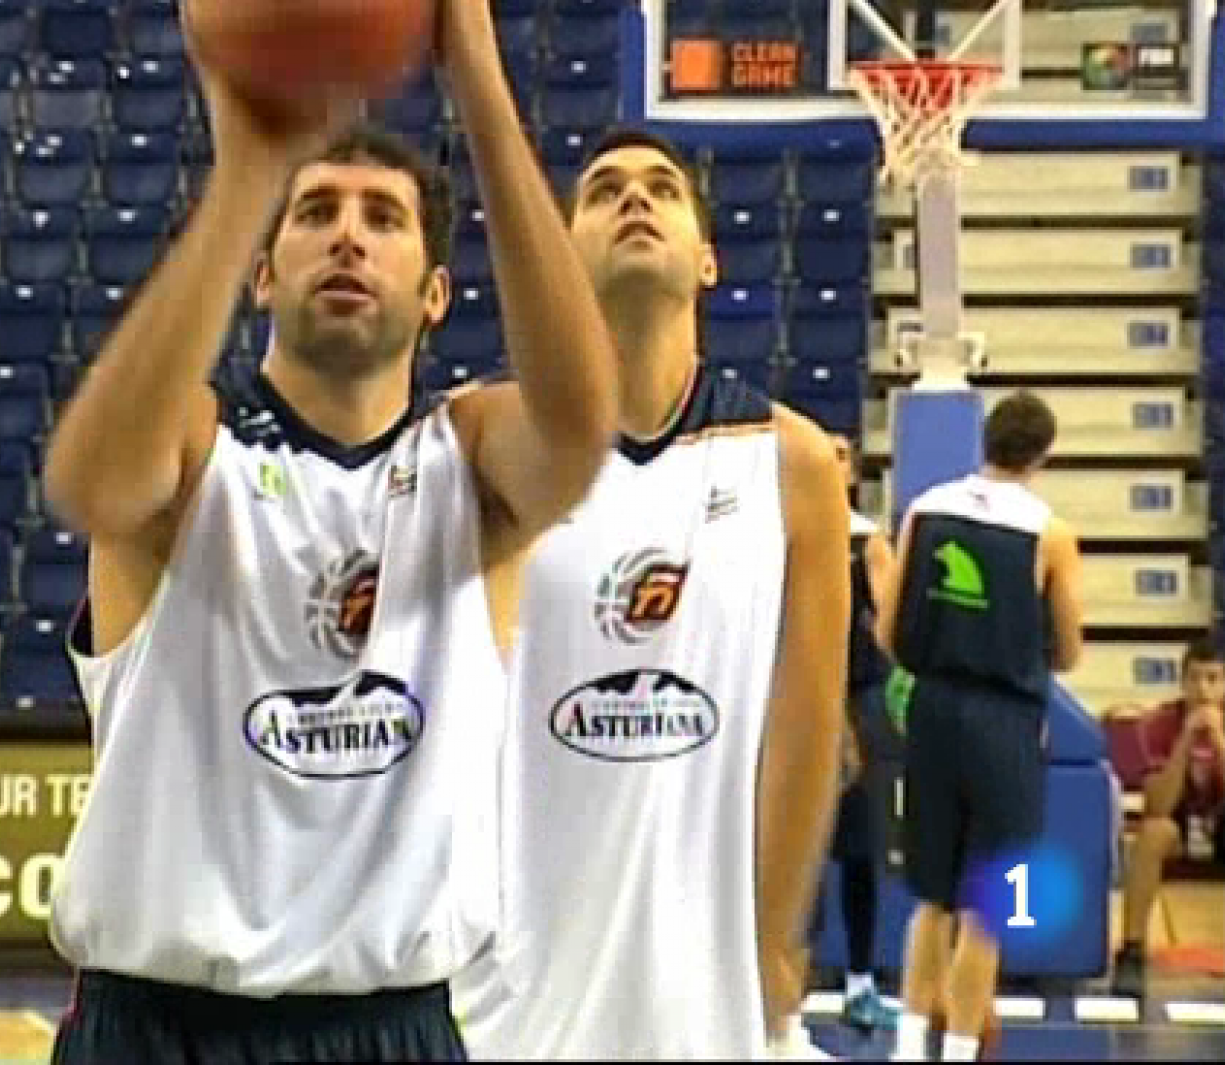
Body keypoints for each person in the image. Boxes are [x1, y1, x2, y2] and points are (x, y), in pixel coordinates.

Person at [37, 0, 619, 1063]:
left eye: (383, 217)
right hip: (160, 1026)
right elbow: (92, 487)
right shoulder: (193, 447)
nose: (347, 231)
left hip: (388, 1025)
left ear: (436, 291)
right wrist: (254, 164)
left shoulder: (470, 462)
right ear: (263, 271)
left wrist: (478, 82)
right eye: (315, 214)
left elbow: (581, 425)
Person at [452, 127, 851, 1060]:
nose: (634, 199)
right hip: (512, 981)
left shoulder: (791, 461)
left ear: (707, 259)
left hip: (701, 985)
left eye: (662, 188)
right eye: (602, 191)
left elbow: (807, 727)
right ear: (562, 252)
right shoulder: (488, 439)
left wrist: (771, 933)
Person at [876, 390, 1084, 1063]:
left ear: (985, 439)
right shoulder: (1049, 533)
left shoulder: (925, 509)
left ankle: (908, 1047)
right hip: (1005, 718)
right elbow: (1071, 649)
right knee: (987, 906)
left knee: (930, 897)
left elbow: (888, 629)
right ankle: (961, 1049)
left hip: (931, 709)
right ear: (1043, 454)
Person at [772, 435, 904, 1061]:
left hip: (860, 699)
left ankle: (859, 981)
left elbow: (890, 629)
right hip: (798, 700)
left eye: (843, 454)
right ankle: (783, 1007)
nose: (832, 461)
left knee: (861, 847)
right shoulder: (782, 535)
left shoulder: (866, 541)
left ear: (851, 472)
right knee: (795, 854)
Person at [1111, 638, 1225, 998]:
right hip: (1179, 822)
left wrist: (1221, 742)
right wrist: (1184, 743)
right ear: (1182, 683)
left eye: (1212, 679)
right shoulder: (1159, 723)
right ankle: (1131, 952)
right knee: (1152, 834)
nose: (1203, 690)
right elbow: (1158, 805)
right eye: (1194, 679)